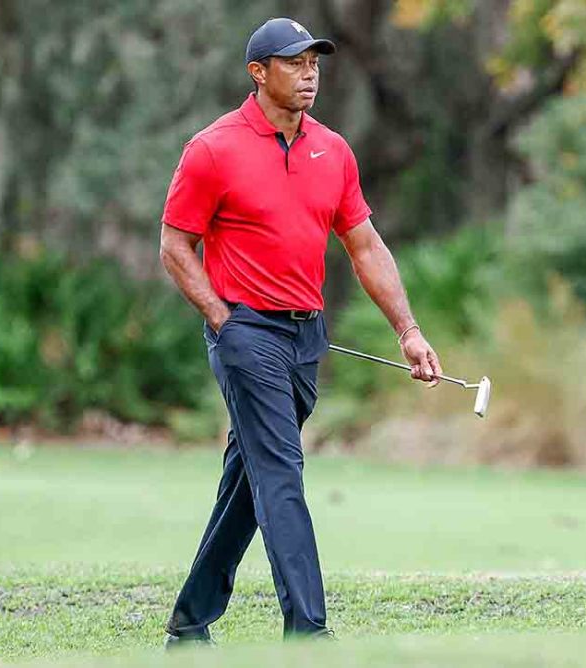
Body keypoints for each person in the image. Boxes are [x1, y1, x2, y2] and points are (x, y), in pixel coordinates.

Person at [158, 17, 444, 646]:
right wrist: (220, 319)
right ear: (258, 73)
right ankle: (308, 632)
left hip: (305, 336)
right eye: (294, 63)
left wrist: (409, 330)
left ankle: (189, 622)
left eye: (315, 62)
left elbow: (364, 245)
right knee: (282, 471)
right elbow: (175, 245)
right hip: (245, 333)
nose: (309, 73)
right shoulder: (213, 148)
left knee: (249, 475)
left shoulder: (333, 150)